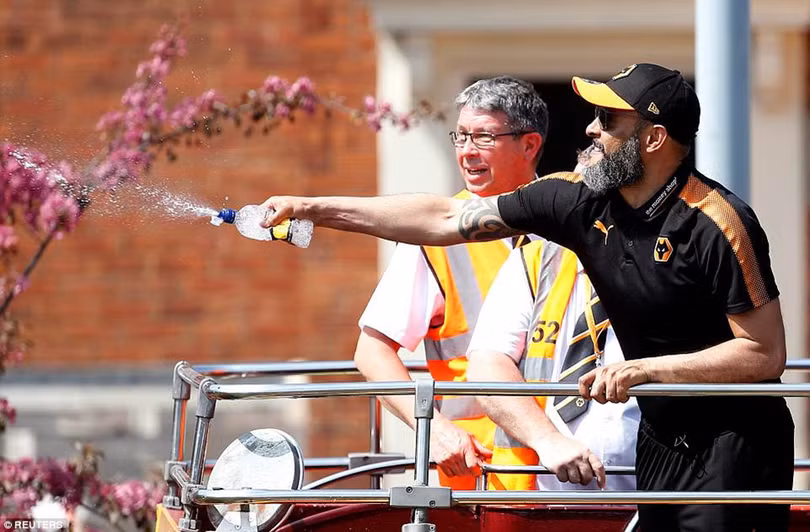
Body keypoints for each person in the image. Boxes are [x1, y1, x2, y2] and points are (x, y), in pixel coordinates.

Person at [260, 63, 794, 531]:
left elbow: (763, 354)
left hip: (734, 441)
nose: (589, 128)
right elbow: (448, 217)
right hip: (658, 437)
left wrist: (645, 371)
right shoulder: (578, 200)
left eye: (608, 121)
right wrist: (313, 208)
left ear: (653, 139)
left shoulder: (718, 222)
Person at [352, 76, 547, 489]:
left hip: (574, 476)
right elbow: (372, 353)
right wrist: (435, 429)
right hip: (483, 479)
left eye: (483, 137)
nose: (466, 152)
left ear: (529, 145)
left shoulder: (572, 223)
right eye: (460, 137)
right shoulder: (436, 239)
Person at [465, 234, 640, 491]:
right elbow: (486, 365)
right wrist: (547, 439)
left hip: (656, 494)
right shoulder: (534, 261)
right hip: (542, 495)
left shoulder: (678, 259)